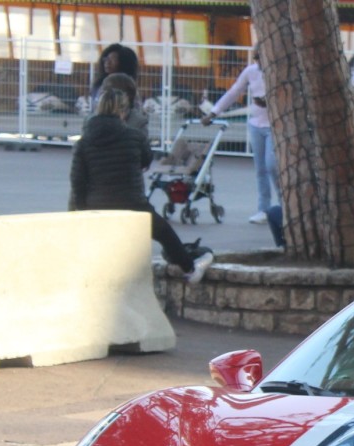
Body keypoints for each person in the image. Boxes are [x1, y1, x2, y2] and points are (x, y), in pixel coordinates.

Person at [71, 83, 213, 284]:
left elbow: (77, 179)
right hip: (133, 203)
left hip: (96, 205)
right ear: (123, 110)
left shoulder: (83, 142)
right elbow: (146, 161)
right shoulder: (134, 136)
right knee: (164, 233)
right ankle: (189, 268)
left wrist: (82, 208)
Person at [203, 48, 279, 225]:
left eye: (263, 58)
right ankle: (264, 209)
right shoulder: (251, 71)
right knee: (260, 169)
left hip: (274, 125)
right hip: (256, 124)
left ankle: (285, 207)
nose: (260, 63)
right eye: (257, 58)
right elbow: (234, 92)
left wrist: (269, 102)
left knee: (272, 165)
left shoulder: (279, 71)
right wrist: (214, 112)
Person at [89, 44, 139, 114]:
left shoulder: (128, 87)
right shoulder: (99, 85)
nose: (107, 62)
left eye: (113, 59)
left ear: (124, 63)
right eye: (106, 59)